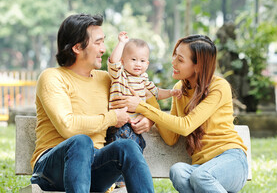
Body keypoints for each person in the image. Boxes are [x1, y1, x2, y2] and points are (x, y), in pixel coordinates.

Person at [30, 13, 154, 193]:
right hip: (51, 169)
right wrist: (112, 117)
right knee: (81, 142)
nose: (103, 49)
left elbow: (147, 99)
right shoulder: (52, 77)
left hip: (94, 167)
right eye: (98, 42)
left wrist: (148, 119)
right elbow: (68, 126)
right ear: (77, 47)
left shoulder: (106, 79)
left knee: (127, 146)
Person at [118, 34, 249, 193]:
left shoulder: (218, 87)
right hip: (201, 166)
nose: (173, 62)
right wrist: (150, 98)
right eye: (174, 55)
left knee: (200, 176)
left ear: (198, 66)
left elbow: (186, 126)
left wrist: (142, 107)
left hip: (231, 160)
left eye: (180, 60)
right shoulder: (180, 88)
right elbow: (171, 138)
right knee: (178, 171)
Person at [106, 31, 181, 187]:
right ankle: (117, 180)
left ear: (147, 64)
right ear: (123, 61)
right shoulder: (120, 75)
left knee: (139, 145)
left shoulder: (144, 80)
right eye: (133, 59)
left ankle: (126, 178)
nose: (137, 64)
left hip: (135, 127)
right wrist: (121, 42)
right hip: (119, 123)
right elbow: (113, 61)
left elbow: (156, 92)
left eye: (142, 60)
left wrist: (171, 93)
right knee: (121, 146)